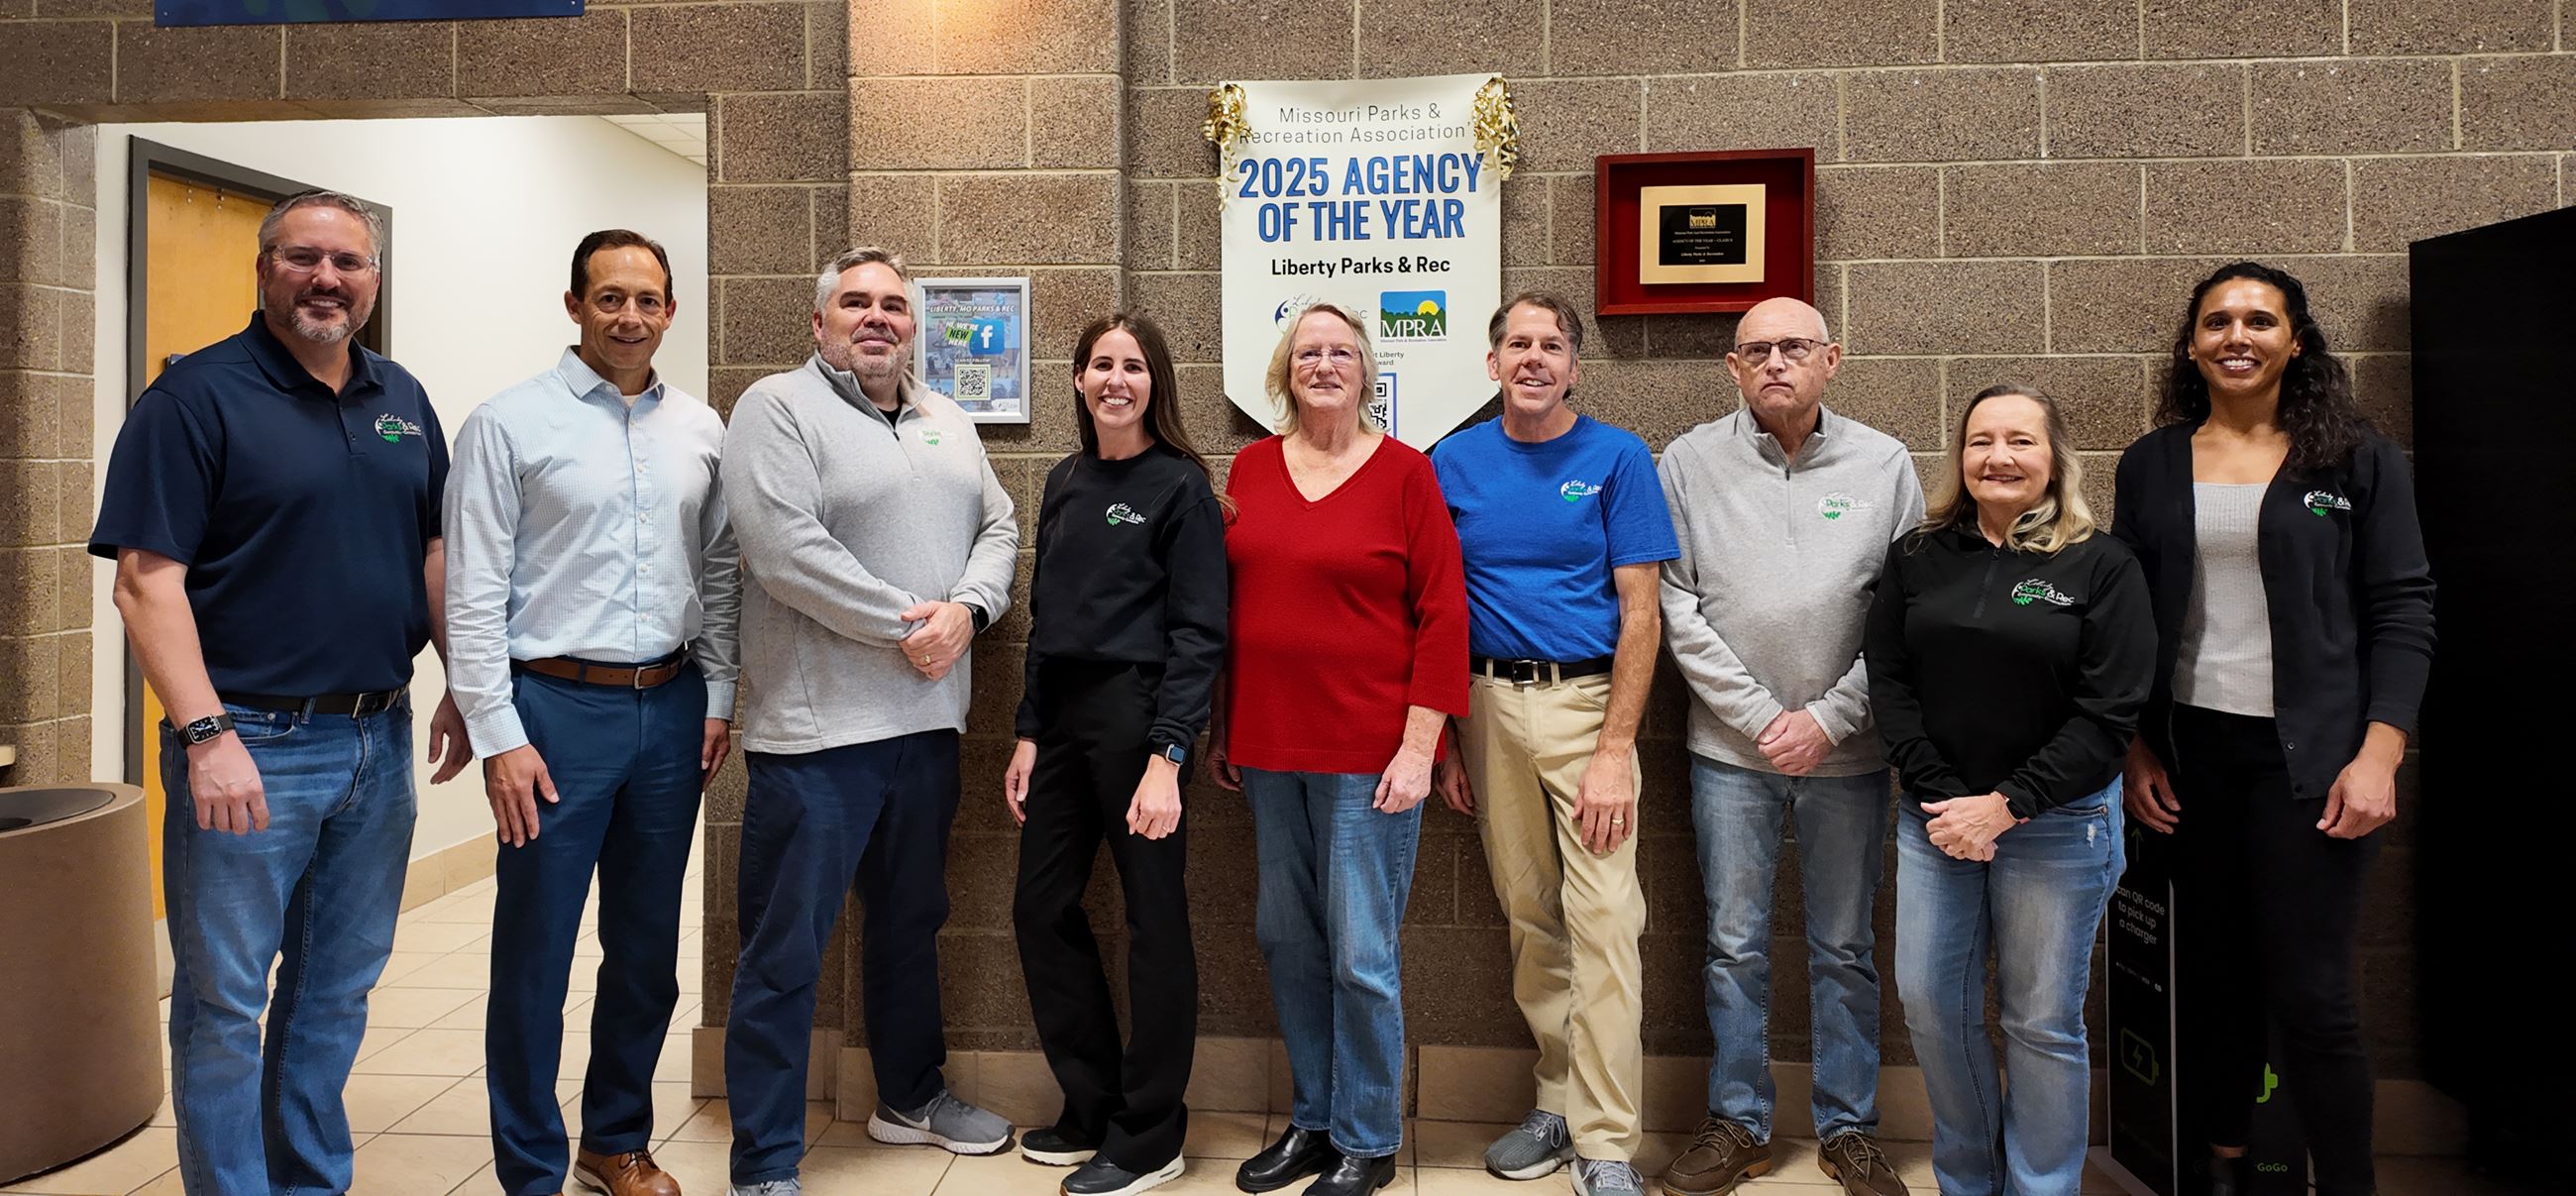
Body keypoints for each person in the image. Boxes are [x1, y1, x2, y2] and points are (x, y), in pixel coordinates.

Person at [89, 188, 473, 1194]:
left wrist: (463, 679)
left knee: (335, 989)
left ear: (372, 281)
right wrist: (205, 733)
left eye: (347, 263)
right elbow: (145, 579)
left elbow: (431, 547)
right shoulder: (193, 399)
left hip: (376, 742)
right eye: (302, 258)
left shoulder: (400, 398)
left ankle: (309, 1180)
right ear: (263, 272)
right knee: (224, 1002)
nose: (325, 279)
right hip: (249, 740)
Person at [2114, 263, 2434, 1196]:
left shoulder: (2354, 457)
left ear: (2297, 340)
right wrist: (2136, 746)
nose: (2237, 335)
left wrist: (2381, 754)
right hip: (2191, 762)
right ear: (2191, 344)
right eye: (2217, 321)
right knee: (2212, 983)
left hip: (2316, 766)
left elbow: (2405, 607)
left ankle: (2345, 1185)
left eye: (2260, 319)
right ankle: (2224, 1170)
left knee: (2314, 997)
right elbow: (2129, 620)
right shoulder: (2153, 460)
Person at [444, 229, 740, 1196]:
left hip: (671, 704)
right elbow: (475, 587)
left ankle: (614, 1139)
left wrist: (721, 693)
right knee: (536, 952)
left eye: (647, 299)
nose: (629, 316)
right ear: (573, 305)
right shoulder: (507, 423)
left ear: (670, 311)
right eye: (609, 297)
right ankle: (530, 1167)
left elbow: (725, 570)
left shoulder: (700, 429)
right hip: (552, 713)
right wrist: (499, 733)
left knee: (647, 950)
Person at [719, 247, 1020, 1196]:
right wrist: (913, 627)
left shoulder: (947, 420)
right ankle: (765, 1157)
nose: (878, 317)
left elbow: (1000, 526)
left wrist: (967, 610)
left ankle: (908, 1097)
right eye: (857, 303)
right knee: (784, 948)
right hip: (816, 738)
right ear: (821, 323)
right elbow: (783, 551)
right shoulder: (775, 408)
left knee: (909, 921)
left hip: (927, 727)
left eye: (895, 304)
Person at [1655, 298, 1917, 1196]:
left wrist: (1830, 718)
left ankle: (1848, 1129)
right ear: (1733, 366)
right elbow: (1674, 604)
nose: (1775, 362)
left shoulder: (1884, 463)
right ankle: (1738, 1121)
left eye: (1794, 347)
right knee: (1734, 943)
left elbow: (1906, 613)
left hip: (1848, 753)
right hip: (1730, 751)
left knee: (1845, 945)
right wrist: (1763, 715)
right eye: (1757, 350)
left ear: (1831, 358)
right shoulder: (1688, 461)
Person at [1866, 383, 2154, 1196]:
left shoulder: (2102, 563)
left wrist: (2006, 804)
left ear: (2055, 457)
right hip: (1937, 819)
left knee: (2039, 1020)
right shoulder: (1919, 555)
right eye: (1981, 440)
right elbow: (1887, 677)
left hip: (2058, 825)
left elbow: (2109, 713)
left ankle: (2041, 1185)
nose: (1999, 457)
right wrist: (1947, 799)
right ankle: (1969, 1179)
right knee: (1930, 1001)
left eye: (2021, 441)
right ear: (1961, 457)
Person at [1216, 303, 1469, 1196]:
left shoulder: (1406, 473)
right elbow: (1229, 609)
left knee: (1363, 952)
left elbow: (1444, 614)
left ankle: (1367, 1135)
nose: (1325, 364)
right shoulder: (1250, 467)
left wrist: (1420, 745)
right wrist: (1222, 725)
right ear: (1286, 372)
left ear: (1366, 372)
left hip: (1372, 754)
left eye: (1342, 353)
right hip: (1268, 746)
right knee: (1285, 936)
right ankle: (1315, 1122)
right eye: (1309, 352)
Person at [1427, 293, 1675, 1196]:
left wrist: (1616, 747)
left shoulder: (1616, 458)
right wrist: (1448, 739)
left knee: (1607, 923)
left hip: (1587, 706)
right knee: (1529, 911)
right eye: (1518, 344)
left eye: (1553, 345)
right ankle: (1559, 1099)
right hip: (1487, 706)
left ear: (1574, 365)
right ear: (1491, 363)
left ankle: (1607, 1143)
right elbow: (1435, 611)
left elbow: (1642, 613)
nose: (1535, 357)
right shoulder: (1450, 461)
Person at [1002, 312, 1228, 1196]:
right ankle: (1094, 1102)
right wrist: (1026, 730)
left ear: (1155, 382)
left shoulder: (1180, 488)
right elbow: (1046, 617)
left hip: (1141, 721)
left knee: (1154, 921)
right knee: (1037, 906)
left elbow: (1199, 633)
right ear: (1077, 378)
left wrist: (1169, 753)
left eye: (1133, 366)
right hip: (1059, 723)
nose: (1116, 379)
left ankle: (1150, 1135)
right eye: (1101, 363)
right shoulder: (1062, 479)